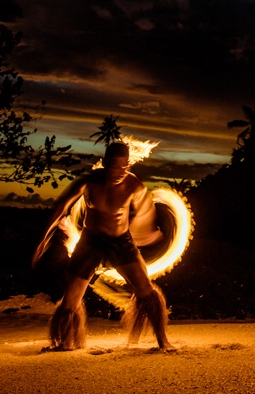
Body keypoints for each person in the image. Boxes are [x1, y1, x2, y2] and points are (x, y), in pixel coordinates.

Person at [33, 142, 175, 352]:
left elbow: (147, 213)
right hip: (90, 243)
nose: (119, 172)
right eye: (114, 167)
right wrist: (44, 238)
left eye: (124, 167)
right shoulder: (90, 182)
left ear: (128, 165)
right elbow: (62, 207)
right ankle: (64, 342)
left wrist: (147, 233)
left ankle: (163, 340)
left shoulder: (134, 186)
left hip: (121, 243)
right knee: (70, 299)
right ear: (105, 163)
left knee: (146, 291)